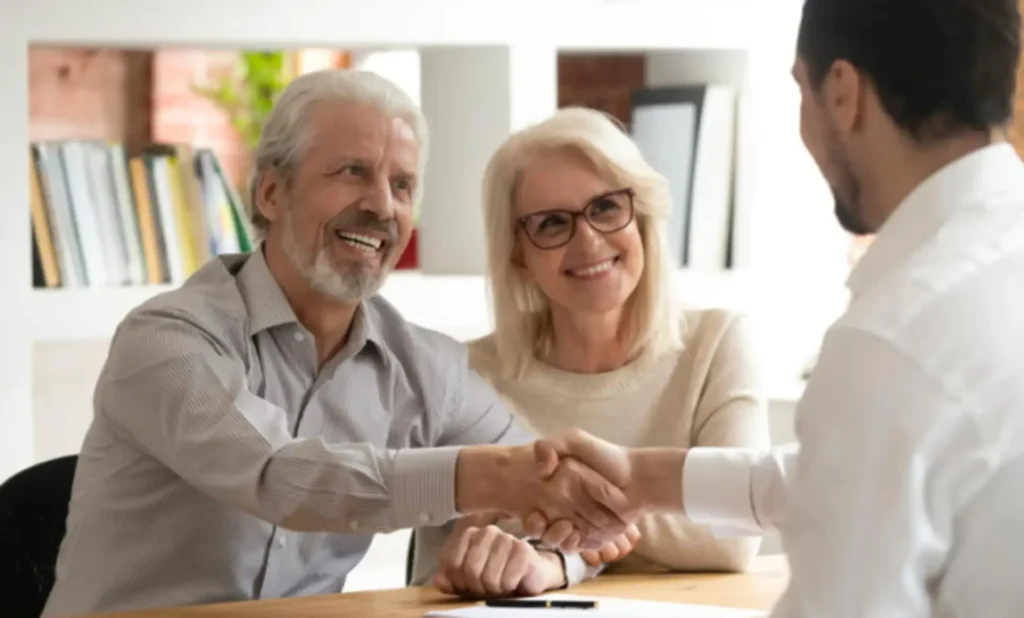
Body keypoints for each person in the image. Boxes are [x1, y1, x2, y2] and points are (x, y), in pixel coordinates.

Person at [40, 69, 638, 618]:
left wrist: (548, 557)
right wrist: (494, 476)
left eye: (401, 185)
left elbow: (570, 504)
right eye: (351, 171)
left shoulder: (426, 368)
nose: (382, 205)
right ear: (272, 194)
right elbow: (279, 476)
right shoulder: (167, 339)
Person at [532, 0, 1024, 616]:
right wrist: (640, 478)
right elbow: (857, 474)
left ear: (842, 92)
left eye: (800, 89)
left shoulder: (892, 341)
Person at [411, 107, 771, 597]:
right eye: (553, 223)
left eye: (605, 208)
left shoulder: (718, 344)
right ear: (518, 254)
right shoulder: (464, 375)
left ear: (641, 215)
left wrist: (562, 548)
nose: (588, 241)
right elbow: (433, 572)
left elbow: (734, 535)